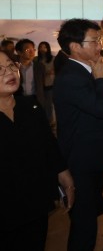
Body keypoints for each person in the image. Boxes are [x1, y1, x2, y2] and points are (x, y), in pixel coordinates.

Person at [0, 50, 75, 250]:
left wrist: (65, 177)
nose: (8, 72)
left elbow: (49, 144)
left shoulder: (30, 105)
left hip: (35, 203)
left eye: (10, 65)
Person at [53, 19, 103, 251]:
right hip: (80, 163)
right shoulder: (71, 76)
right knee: (84, 225)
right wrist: (101, 79)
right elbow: (100, 109)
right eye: (94, 41)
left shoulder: (83, 71)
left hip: (91, 158)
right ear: (75, 46)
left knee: (88, 221)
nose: (100, 45)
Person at [16, 39, 45, 106]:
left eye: (33, 49)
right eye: (28, 50)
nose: (32, 52)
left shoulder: (39, 66)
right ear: (19, 52)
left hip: (35, 100)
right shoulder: (13, 67)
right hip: (19, 100)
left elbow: (42, 84)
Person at [37, 41, 56, 126]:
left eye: (44, 47)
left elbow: (54, 71)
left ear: (48, 48)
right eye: (41, 47)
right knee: (42, 103)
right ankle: (45, 121)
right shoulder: (36, 60)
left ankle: (50, 121)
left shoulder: (52, 59)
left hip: (50, 84)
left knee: (49, 104)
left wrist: (49, 72)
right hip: (40, 85)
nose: (42, 49)